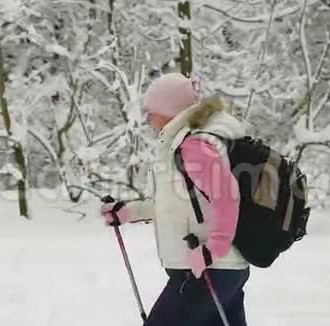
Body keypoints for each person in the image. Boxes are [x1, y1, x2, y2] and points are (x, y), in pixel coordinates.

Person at [101, 73, 250, 326]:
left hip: (209, 269)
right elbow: (182, 202)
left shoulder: (194, 145)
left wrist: (213, 248)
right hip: (220, 268)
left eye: (152, 110)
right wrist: (129, 212)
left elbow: (227, 197)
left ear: (170, 110)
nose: (148, 117)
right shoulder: (188, 141)